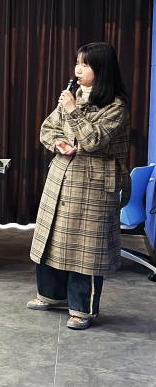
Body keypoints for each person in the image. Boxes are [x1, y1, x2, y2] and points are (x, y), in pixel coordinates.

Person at [28, 41, 130, 330]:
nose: (78, 69)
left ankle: (82, 309)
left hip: (94, 185)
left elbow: (93, 141)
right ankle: (51, 294)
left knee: (86, 249)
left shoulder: (116, 106)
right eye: (77, 63)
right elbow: (48, 129)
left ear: (102, 69)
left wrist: (72, 110)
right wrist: (58, 143)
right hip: (62, 176)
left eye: (85, 64)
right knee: (52, 238)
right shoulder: (73, 96)